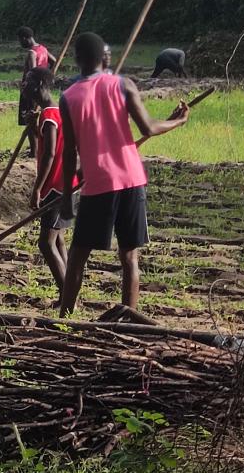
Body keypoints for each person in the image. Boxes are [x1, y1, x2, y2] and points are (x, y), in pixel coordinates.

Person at [58, 33, 190, 316]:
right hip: (132, 180)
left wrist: (68, 196)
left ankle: (65, 320)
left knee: (78, 257)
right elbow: (148, 129)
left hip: (99, 184)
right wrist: (177, 121)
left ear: (77, 59)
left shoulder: (67, 98)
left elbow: (69, 151)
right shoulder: (124, 85)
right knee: (129, 257)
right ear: (105, 58)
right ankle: (128, 321)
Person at [25, 68, 76, 292]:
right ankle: (69, 290)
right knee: (58, 240)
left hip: (56, 187)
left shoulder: (49, 115)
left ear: (38, 85)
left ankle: (67, 297)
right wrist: (33, 128)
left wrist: (37, 188)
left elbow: (50, 153)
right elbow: (46, 144)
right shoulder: (56, 112)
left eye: (27, 82)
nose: (23, 87)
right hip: (67, 184)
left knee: (46, 244)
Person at [18, 27, 51, 156]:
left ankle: (34, 152)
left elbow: (33, 72)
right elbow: (52, 61)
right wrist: (47, 77)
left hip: (31, 91)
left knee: (30, 119)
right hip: (42, 90)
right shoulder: (43, 49)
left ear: (25, 38)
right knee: (35, 119)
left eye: (20, 40)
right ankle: (40, 147)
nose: (20, 43)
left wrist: (30, 88)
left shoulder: (32, 52)